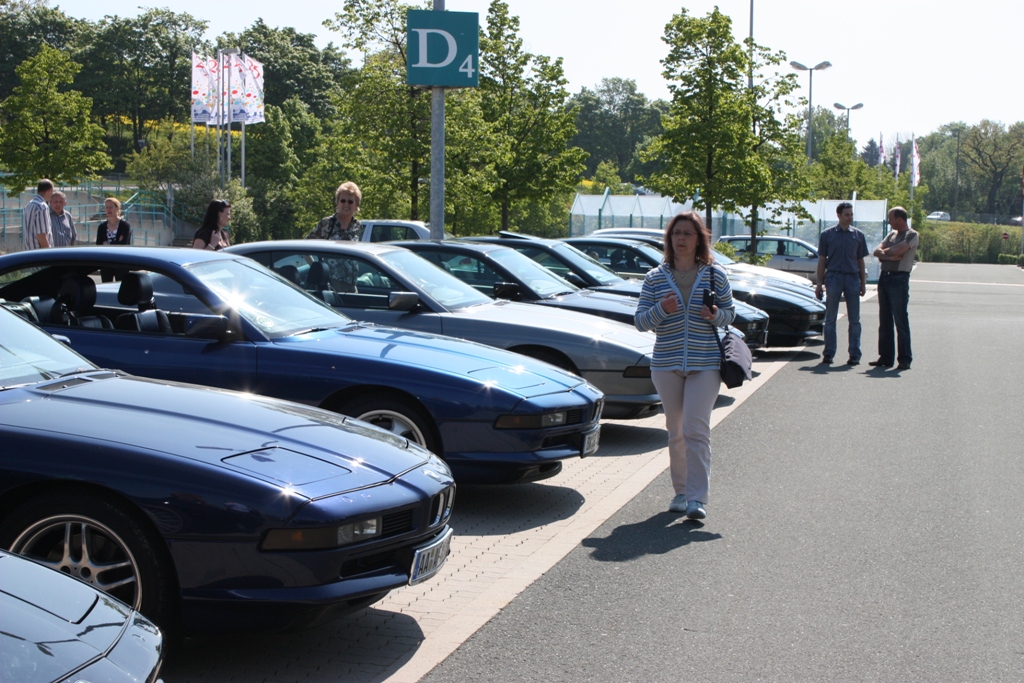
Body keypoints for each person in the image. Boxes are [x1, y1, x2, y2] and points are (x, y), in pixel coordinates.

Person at [634, 211, 736, 520]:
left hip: (705, 363)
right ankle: (680, 492)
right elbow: (640, 321)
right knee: (676, 430)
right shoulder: (654, 277)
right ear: (669, 239)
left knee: (696, 428)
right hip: (666, 364)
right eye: (676, 233)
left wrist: (714, 315)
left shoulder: (715, 274)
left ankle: (697, 499)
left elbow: (730, 314)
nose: (681, 238)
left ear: (698, 239)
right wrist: (661, 310)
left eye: (687, 233)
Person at [815, 202, 868, 365]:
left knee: (854, 319)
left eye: (851, 214)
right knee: (831, 318)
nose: (850, 217)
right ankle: (829, 353)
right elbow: (822, 260)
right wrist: (819, 284)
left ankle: (854, 354)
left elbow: (860, 260)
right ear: (838, 215)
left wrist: (863, 283)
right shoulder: (827, 235)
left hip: (852, 278)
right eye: (846, 214)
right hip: (834, 277)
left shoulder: (858, 235)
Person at [870, 206, 918, 370]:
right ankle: (885, 357)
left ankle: (904, 358)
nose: (889, 222)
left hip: (899, 279)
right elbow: (876, 251)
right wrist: (889, 256)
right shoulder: (891, 235)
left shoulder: (911, 235)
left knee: (900, 320)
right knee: (884, 320)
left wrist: (885, 253)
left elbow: (898, 250)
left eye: (891, 219)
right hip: (884, 278)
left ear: (899, 219)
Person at [306, 182, 363, 291]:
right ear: (337, 202)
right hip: (332, 282)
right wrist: (318, 269)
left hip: (352, 283)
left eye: (350, 201)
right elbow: (305, 246)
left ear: (356, 205)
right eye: (342, 200)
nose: (346, 204)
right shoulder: (328, 223)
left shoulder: (357, 226)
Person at [22, 179, 54, 250]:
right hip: (39, 253)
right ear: (49, 191)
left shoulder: (29, 205)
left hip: (28, 251)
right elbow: (41, 235)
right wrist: (49, 252)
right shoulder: (42, 207)